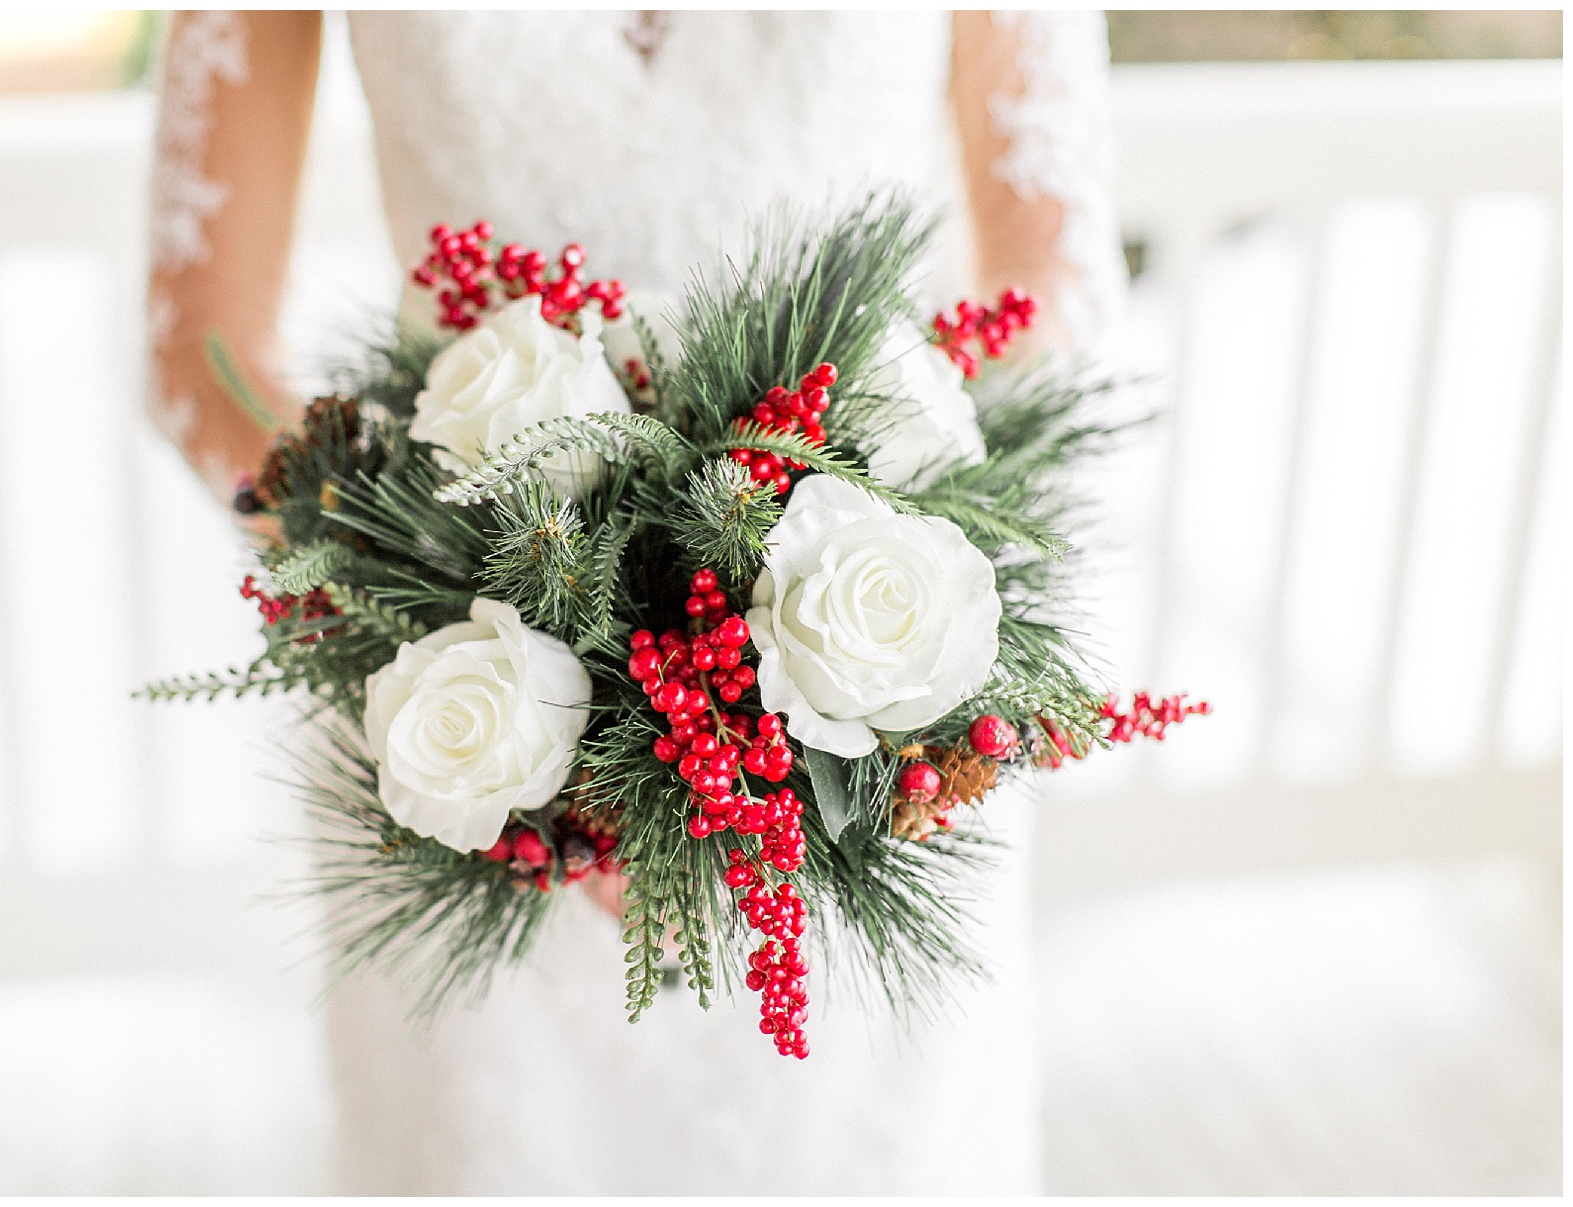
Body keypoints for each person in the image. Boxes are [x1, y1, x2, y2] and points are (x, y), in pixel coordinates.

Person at [147, 11, 1125, 1194]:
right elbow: (201, 343)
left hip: (862, 713)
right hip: (470, 738)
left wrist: (883, 594)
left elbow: (1051, 289)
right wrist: (421, 602)